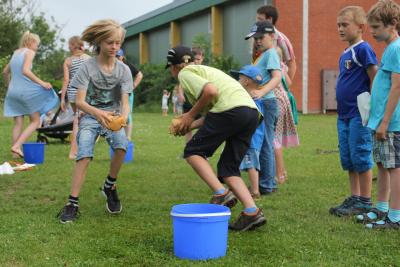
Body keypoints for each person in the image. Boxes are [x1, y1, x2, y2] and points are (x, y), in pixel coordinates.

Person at [167, 45, 266, 231]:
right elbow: (214, 112)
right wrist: (187, 125)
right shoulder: (206, 71)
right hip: (250, 113)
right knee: (228, 168)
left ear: (173, 67)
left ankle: (221, 193)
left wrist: (188, 116)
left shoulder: (185, 73)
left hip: (231, 111)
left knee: (193, 151)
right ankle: (252, 212)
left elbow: (211, 92)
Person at [57, 19, 133, 223]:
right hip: (90, 116)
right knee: (84, 155)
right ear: (100, 42)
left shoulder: (123, 70)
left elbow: (125, 102)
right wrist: (99, 114)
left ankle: (109, 185)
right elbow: (79, 102)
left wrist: (123, 117)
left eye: (118, 43)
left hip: (113, 116)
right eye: (110, 43)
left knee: (122, 146)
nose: (114, 47)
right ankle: (72, 203)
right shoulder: (87, 67)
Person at [329, 6, 378, 218]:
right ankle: (355, 197)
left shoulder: (363, 49)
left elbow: (374, 76)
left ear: (360, 27)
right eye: (338, 25)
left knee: (361, 154)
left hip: (359, 113)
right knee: (348, 157)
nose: (340, 28)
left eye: (345, 25)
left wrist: (374, 106)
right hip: (344, 115)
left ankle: (365, 201)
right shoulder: (345, 53)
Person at [360, 0, 400, 229]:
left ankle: (395, 216)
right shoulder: (390, 49)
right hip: (381, 122)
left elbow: (397, 87)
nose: (372, 32)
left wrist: (385, 121)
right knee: (383, 164)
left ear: (392, 23)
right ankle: (382, 208)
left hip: (391, 123)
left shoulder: (396, 48)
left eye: (375, 27)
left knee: (394, 167)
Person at [3, 31, 59, 158]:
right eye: (37, 44)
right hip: (25, 92)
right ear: (30, 42)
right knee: (35, 120)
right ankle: (17, 146)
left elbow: (5, 73)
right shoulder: (29, 52)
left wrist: (9, 87)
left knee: (18, 123)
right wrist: (42, 83)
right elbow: (25, 71)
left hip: (13, 92)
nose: (37, 47)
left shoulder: (16, 53)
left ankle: (15, 155)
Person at [246, 20, 282, 195]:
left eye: (261, 37)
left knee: (266, 142)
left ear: (272, 36)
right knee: (262, 141)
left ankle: (267, 185)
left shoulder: (271, 53)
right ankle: (265, 182)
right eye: (255, 38)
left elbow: (277, 77)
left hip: (267, 103)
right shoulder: (262, 55)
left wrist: (261, 92)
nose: (258, 41)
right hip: (261, 103)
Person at [232, 65, 266, 199]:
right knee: (249, 163)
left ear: (246, 81)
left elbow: (254, 119)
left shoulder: (254, 99)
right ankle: (249, 187)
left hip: (252, 139)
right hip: (252, 138)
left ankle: (255, 190)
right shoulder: (252, 97)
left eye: (240, 78)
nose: (238, 80)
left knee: (251, 164)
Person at [60, 36, 91, 159]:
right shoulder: (89, 59)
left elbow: (66, 80)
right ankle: (73, 152)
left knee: (79, 119)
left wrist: (63, 99)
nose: (68, 47)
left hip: (72, 93)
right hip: (85, 92)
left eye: (69, 44)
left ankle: (79, 150)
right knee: (79, 121)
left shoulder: (68, 61)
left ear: (73, 45)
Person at [273, 47, 300, 184]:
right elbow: (289, 83)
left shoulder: (273, 67)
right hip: (285, 101)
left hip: (277, 101)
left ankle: (279, 175)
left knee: (274, 141)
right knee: (276, 139)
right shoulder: (283, 67)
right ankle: (282, 171)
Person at [255, 5, 296, 80]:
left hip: (276, 84)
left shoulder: (282, 40)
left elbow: (292, 64)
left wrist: (286, 87)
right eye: (257, 19)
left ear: (269, 20)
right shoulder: (255, 36)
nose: (257, 22)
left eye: (260, 19)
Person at [116, 49, 143, 141]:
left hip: (128, 93)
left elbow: (139, 75)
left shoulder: (127, 65)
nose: (116, 58)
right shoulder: (112, 66)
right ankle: (119, 135)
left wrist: (134, 85)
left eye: (118, 56)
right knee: (117, 114)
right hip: (115, 94)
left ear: (122, 57)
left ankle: (128, 136)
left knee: (127, 114)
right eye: (115, 56)